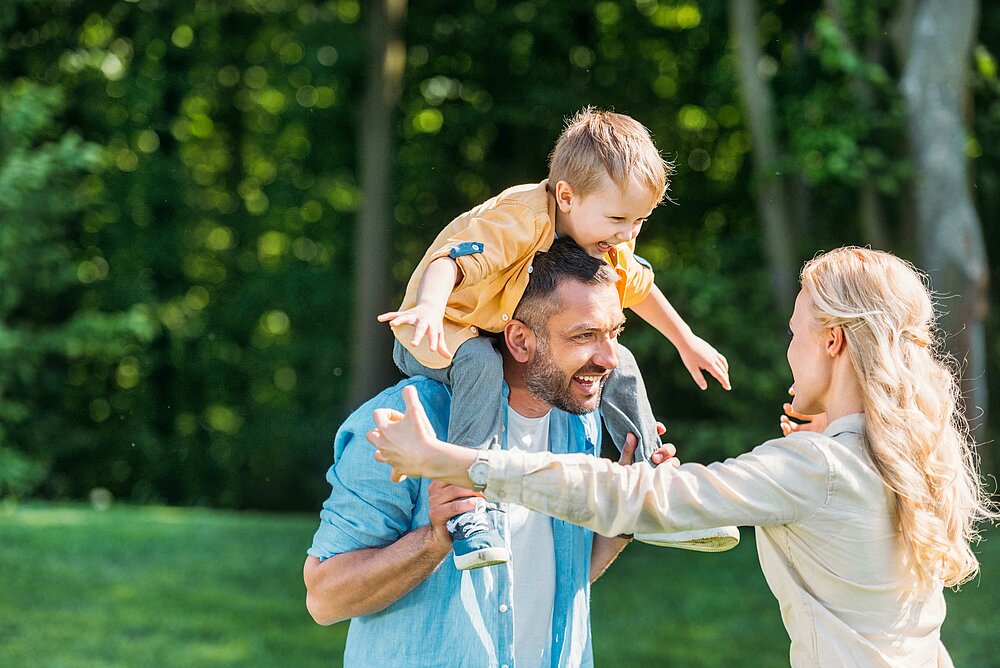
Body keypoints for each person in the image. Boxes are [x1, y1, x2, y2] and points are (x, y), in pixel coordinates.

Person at [370, 246, 999, 667]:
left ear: (832, 340)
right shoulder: (892, 454)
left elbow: (645, 497)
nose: (789, 351)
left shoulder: (821, 468)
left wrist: (454, 461)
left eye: (795, 332)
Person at [378, 107, 735, 569]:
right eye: (618, 219)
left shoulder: (600, 237)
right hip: (436, 329)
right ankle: (469, 507)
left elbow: (639, 288)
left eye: (639, 222)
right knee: (481, 363)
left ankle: (652, 485)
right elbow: (449, 262)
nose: (627, 234)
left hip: (493, 329)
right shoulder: (521, 218)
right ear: (566, 195)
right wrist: (427, 307)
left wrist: (686, 340)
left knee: (618, 358)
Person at [304, 239, 677, 667]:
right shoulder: (401, 422)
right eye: (585, 336)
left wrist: (625, 515)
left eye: (614, 333)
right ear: (519, 340)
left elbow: (551, 575)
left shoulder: (576, 420)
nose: (610, 357)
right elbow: (324, 596)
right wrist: (434, 539)